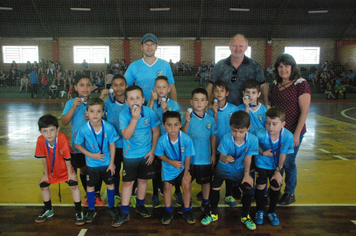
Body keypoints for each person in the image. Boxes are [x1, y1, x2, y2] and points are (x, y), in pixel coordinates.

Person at [112, 85, 160, 227]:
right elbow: (126, 135)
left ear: (143, 100)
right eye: (131, 98)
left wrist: (152, 151)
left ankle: (140, 205)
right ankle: (124, 210)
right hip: (130, 156)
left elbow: (156, 132)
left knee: (143, 181)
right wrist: (134, 118)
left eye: (137, 98)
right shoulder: (124, 114)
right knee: (128, 183)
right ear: (126, 102)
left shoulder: (150, 113)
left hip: (146, 154)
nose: (135, 101)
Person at [200, 111, 257, 231]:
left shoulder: (253, 140)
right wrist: (224, 158)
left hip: (241, 169)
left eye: (241, 131)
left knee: (248, 189)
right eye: (234, 130)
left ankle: (245, 216)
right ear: (230, 126)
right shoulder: (226, 138)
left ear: (248, 128)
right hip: (224, 167)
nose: (237, 134)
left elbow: (248, 158)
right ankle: (213, 213)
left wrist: (247, 175)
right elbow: (221, 155)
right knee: (215, 186)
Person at [270, 53, 311, 205]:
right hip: (278, 131)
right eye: (280, 66)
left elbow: (304, 111)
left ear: (292, 67)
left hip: (294, 131)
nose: (283, 69)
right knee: (277, 160)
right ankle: (276, 188)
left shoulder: (300, 84)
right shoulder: (275, 84)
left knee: (288, 162)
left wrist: (296, 134)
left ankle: (290, 192)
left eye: (286, 66)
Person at [61, 75, 105, 207]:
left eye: (88, 84)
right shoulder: (71, 103)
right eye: (81, 85)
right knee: (84, 170)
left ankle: (96, 193)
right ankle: (89, 194)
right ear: (75, 87)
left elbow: (104, 120)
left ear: (91, 87)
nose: (85, 88)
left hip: (95, 145)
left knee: (96, 170)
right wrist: (73, 107)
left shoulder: (96, 102)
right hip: (79, 145)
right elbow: (64, 122)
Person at [74, 97, 119, 223]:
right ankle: (91, 209)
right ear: (86, 113)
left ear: (103, 113)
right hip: (92, 164)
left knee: (110, 184)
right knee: (90, 186)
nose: (95, 114)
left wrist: (112, 164)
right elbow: (77, 145)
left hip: (106, 163)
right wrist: (90, 155)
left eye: (98, 111)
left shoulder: (109, 128)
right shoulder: (83, 129)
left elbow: (112, 145)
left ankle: (111, 207)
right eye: (92, 111)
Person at [34, 114, 84, 226]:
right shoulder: (40, 140)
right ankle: (48, 210)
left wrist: (70, 173)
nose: (49, 133)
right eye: (45, 131)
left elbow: (67, 157)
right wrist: (45, 174)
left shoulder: (62, 138)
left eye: (52, 130)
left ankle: (78, 211)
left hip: (67, 164)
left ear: (58, 129)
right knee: (43, 185)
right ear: (40, 132)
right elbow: (43, 158)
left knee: (73, 185)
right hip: (52, 166)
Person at [254, 106, 294, 226]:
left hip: (276, 165)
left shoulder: (288, 136)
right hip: (261, 164)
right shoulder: (259, 134)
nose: (270, 127)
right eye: (268, 123)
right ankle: (259, 210)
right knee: (260, 186)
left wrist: (278, 171)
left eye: (274, 124)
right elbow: (254, 147)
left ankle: (272, 211)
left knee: (276, 185)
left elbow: (283, 155)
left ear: (283, 124)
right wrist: (262, 152)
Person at [155, 111, 196, 225]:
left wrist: (187, 172)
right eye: (169, 125)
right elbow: (159, 153)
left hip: (183, 168)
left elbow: (188, 156)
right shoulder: (162, 140)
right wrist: (170, 162)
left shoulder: (186, 139)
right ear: (163, 126)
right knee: (167, 187)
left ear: (180, 124)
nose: (173, 128)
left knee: (186, 186)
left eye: (176, 125)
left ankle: (187, 210)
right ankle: (168, 211)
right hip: (169, 168)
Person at [207, 34, 269, 107]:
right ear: (229, 47)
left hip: (248, 110)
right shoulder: (220, 65)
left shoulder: (255, 65)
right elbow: (211, 86)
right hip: (223, 110)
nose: (237, 49)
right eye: (234, 46)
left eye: (241, 46)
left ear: (246, 47)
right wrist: (208, 104)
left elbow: (263, 86)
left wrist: (267, 104)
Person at [148, 76, 182, 208]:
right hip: (156, 142)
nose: (161, 89)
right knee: (156, 170)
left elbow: (175, 122)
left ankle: (177, 191)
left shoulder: (173, 104)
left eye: (164, 87)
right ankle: (156, 194)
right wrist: (151, 100)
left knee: (175, 167)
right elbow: (147, 115)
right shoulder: (151, 102)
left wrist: (165, 110)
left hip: (171, 143)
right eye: (158, 87)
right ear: (154, 89)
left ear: (168, 89)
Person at [182, 88, 217, 213]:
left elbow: (213, 137)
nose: (199, 103)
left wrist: (213, 154)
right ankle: (187, 201)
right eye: (196, 100)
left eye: (202, 100)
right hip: (190, 158)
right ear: (191, 102)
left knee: (206, 182)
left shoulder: (210, 119)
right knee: (188, 181)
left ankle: (205, 202)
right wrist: (187, 122)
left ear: (207, 102)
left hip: (205, 158)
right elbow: (183, 134)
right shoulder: (187, 117)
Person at [207, 80, 239, 207]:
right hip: (214, 145)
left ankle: (229, 194)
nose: (219, 93)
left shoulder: (233, 109)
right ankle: (212, 192)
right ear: (213, 93)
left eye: (222, 90)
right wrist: (214, 113)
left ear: (227, 93)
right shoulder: (209, 110)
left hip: (229, 146)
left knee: (229, 169)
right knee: (214, 169)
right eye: (216, 90)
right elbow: (212, 128)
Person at [125, 33, 177, 104]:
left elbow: (171, 87)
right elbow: (126, 87)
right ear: (141, 47)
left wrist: (175, 108)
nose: (149, 47)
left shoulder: (165, 65)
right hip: (140, 106)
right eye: (146, 44)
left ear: (156, 47)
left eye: (152, 44)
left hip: (160, 106)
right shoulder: (133, 66)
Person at [104, 74, 129, 207]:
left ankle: (131, 194)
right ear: (111, 87)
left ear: (126, 86)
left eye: (121, 84)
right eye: (115, 85)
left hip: (128, 145)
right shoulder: (107, 103)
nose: (119, 88)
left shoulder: (131, 102)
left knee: (129, 172)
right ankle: (116, 195)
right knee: (114, 170)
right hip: (113, 146)